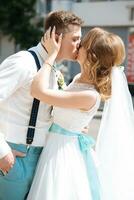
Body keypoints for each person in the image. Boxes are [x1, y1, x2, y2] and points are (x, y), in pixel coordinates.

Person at [27, 27, 126, 200]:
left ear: (91, 56)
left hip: (61, 152)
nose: (78, 45)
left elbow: (37, 91)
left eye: (83, 44)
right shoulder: (78, 78)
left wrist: (51, 56)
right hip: (54, 144)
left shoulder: (90, 95)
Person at [0, 10, 83, 200]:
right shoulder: (23, 62)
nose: (80, 44)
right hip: (15, 157)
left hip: (43, 160)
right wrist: (2, 151)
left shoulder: (54, 71)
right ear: (56, 37)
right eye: (75, 39)